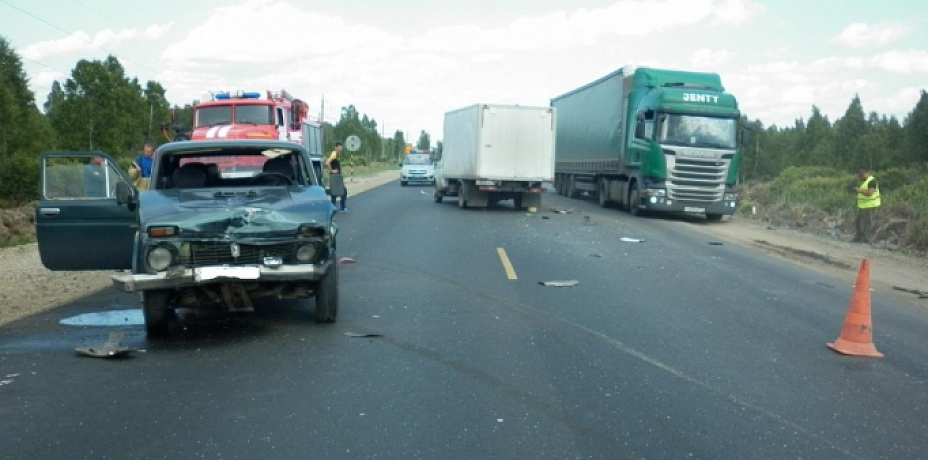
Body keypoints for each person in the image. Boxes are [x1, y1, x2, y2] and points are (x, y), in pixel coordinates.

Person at [851, 168, 880, 243]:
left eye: (859, 177)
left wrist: (859, 190)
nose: (859, 179)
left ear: (863, 174)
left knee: (867, 222)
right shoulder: (864, 181)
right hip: (863, 206)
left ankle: (866, 238)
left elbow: (870, 193)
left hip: (870, 205)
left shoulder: (872, 181)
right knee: (859, 221)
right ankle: (859, 236)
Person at [326, 142, 347, 211]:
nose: (340, 149)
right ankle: (342, 207)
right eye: (339, 148)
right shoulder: (334, 154)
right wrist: (332, 170)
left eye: (341, 148)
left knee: (336, 191)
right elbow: (327, 162)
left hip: (337, 176)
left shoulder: (337, 154)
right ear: (336, 147)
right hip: (334, 176)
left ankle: (337, 207)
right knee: (340, 191)